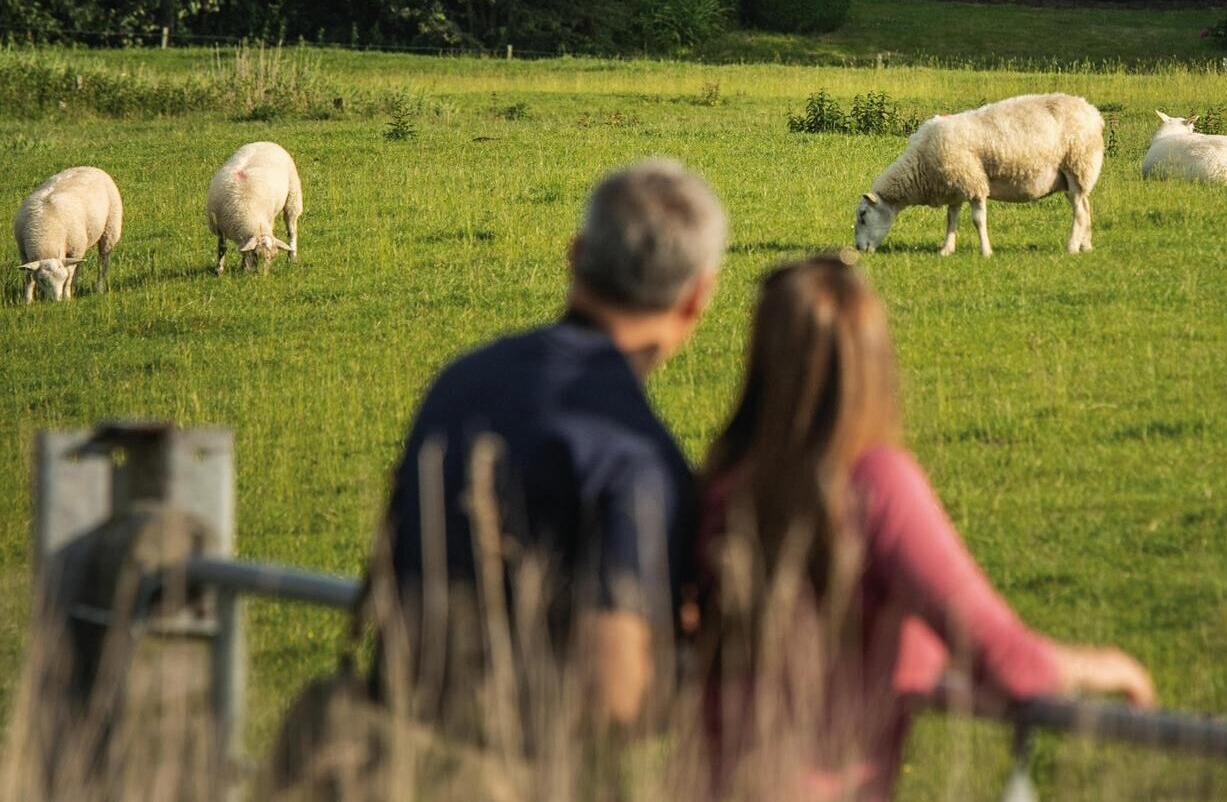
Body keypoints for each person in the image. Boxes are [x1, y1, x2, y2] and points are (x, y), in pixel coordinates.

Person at [696, 254, 1154, 799]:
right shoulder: (873, 482)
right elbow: (1004, 656)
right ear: (874, 361)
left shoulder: (721, 483)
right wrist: (1107, 668)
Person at [372, 159, 727, 741]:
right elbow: (613, 701)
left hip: (398, 748)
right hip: (522, 767)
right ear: (697, 297)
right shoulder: (635, 458)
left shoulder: (460, 382)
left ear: (576, 255)